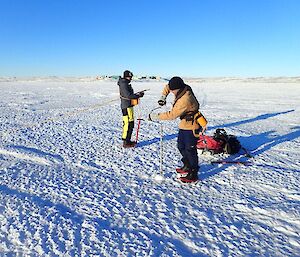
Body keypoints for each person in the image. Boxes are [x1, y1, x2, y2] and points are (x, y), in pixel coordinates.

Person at [149, 76, 207, 183]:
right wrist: (163, 97)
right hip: (184, 125)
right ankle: (187, 165)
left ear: (179, 88)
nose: (171, 92)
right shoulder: (183, 87)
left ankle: (193, 173)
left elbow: (172, 115)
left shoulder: (185, 99)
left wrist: (156, 116)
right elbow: (168, 87)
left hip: (192, 126)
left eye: (173, 91)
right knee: (181, 146)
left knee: (190, 150)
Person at [118, 70, 144, 148]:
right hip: (126, 106)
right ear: (126, 76)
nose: (131, 78)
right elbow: (128, 95)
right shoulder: (123, 84)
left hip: (129, 106)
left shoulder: (125, 83)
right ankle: (126, 142)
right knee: (128, 124)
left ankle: (128, 140)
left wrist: (137, 94)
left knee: (130, 123)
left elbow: (129, 95)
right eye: (130, 77)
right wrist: (138, 95)